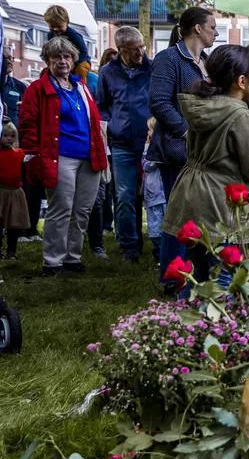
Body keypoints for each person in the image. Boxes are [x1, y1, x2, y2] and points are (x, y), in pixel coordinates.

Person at [162, 46, 249, 284]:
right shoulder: (239, 115)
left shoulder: (204, 105)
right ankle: (212, 322)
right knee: (222, 278)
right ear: (242, 81)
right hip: (217, 204)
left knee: (197, 275)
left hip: (190, 197)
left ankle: (190, 320)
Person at [20, 36, 108, 276]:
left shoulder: (81, 86)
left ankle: (72, 257)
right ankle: (53, 261)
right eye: (56, 56)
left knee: (82, 210)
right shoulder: (37, 89)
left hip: (89, 157)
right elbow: (27, 124)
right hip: (59, 157)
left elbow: (95, 121)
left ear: (74, 59)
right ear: (47, 60)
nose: (62, 61)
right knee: (61, 209)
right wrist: (33, 154)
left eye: (67, 56)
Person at [149, 7, 216, 281]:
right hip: (177, 151)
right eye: (212, 26)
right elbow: (159, 102)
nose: (216, 32)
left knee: (200, 215)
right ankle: (173, 277)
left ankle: (196, 274)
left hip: (205, 152)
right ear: (197, 28)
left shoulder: (208, 63)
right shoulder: (169, 59)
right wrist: (187, 132)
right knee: (178, 217)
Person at [95, 26, 152, 261]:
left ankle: (158, 242)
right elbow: (102, 105)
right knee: (125, 196)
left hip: (149, 143)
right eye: (134, 49)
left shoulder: (153, 68)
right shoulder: (108, 73)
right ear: (121, 50)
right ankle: (130, 247)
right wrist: (111, 123)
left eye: (142, 47)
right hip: (121, 143)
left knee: (152, 195)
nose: (140, 52)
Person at [0, 121, 30, 259]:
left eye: (12, 136)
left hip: (15, 192)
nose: (9, 138)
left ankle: (12, 251)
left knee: (14, 223)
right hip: (1, 191)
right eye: (5, 135)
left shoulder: (20, 154)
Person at [43, 5, 91, 78]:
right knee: (45, 71)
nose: (56, 29)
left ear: (67, 23)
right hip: (60, 61)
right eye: (52, 26)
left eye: (59, 26)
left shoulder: (74, 35)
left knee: (81, 69)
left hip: (79, 61)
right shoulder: (50, 36)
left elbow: (83, 52)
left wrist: (73, 64)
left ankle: (81, 85)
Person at [142, 118, 165, 264]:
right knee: (155, 229)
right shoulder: (147, 148)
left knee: (166, 226)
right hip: (153, 195)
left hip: (164, 195)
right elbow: (146, 165)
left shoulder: (167, 147)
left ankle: (165, 255)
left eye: (150, 129)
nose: (148, 132)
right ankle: (158, 253)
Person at [1, 43, 27, 129]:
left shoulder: (20, 87)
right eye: (5, 58)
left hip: (12, 139)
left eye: (11, 58)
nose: (9, 61)